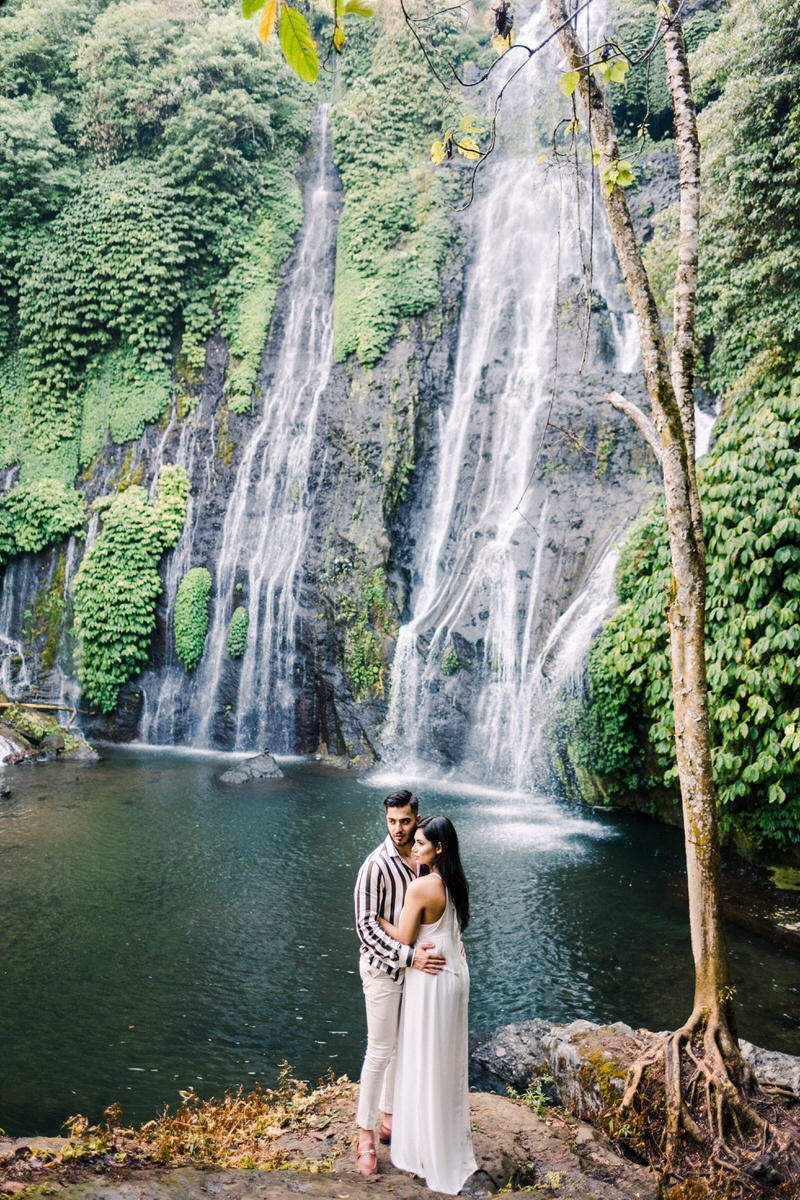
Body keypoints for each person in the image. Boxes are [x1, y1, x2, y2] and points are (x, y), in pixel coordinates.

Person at [378, 815, 477, 1195]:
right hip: (454, 976)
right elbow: (452, 931)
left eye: (421, 843)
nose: (413, 848)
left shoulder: (420, 887)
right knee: (446, 1066)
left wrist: (378, 920)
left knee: (423, 1061)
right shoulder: (457, 881)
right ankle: (444, 1146)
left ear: (439, 849)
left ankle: (425, 1153)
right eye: (414, 842)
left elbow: (403, 939)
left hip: (430, 980)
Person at [353, 790, 447, 1177]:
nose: (398, 829)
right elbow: (365, 926)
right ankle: (365, 1137)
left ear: (417, 818)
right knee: (379, 1051)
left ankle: (391, 1118)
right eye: (391, 821)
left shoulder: (426, 857)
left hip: (416, 972)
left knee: (402, 1049)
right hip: (383, 970)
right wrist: (410, 956)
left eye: (405, 821)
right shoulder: (375, 866)